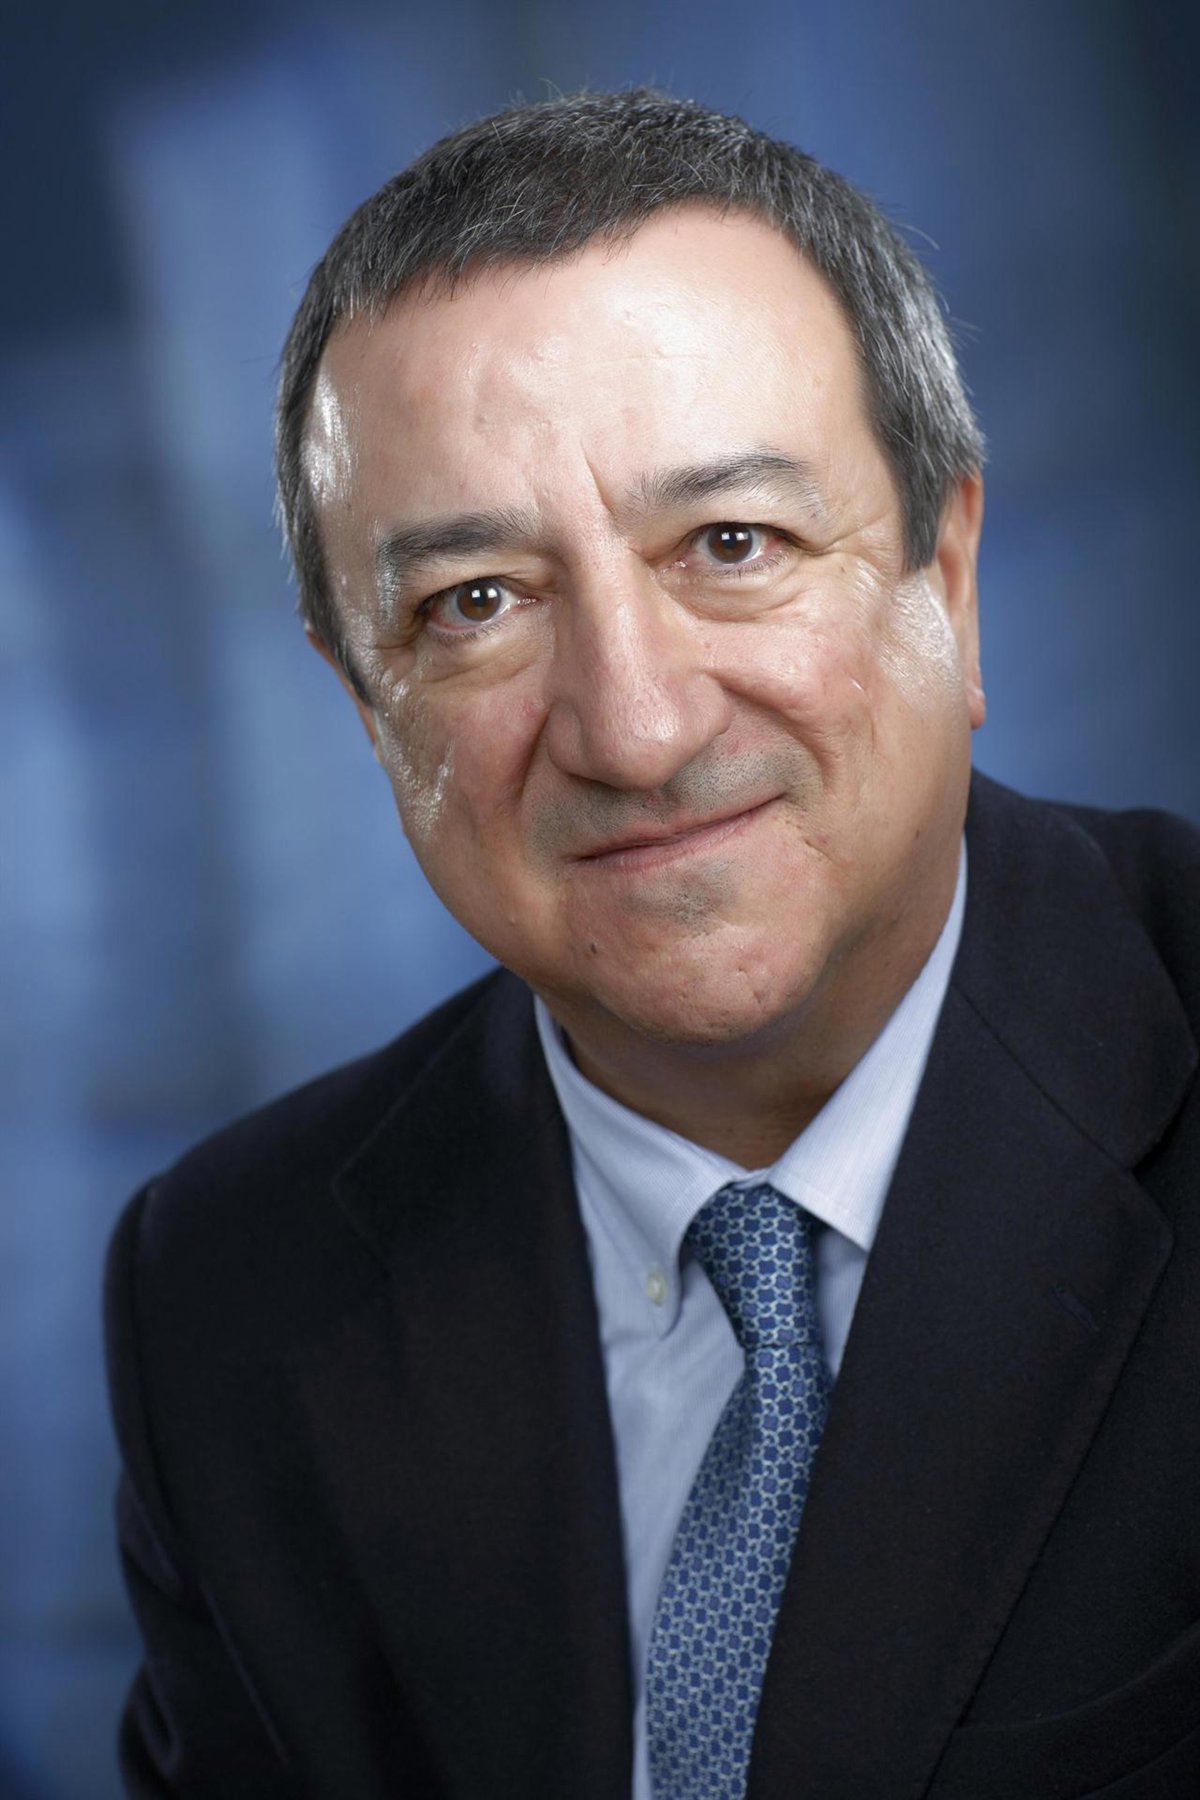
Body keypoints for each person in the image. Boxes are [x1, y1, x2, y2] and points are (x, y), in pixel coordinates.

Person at [104, 90, 1200, 1799]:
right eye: (476, 602)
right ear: (368, 705)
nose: (633, 724)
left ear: (948, 576)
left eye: (733, 545)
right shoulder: (226, 1293)